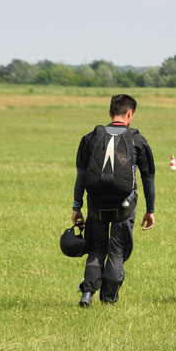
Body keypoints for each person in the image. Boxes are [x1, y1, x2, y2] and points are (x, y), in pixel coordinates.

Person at [71, 93, 155, 307]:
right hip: (124, 206)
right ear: (130, 114)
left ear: (109, 113)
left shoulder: (90, 138)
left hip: (96, 203)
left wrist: (76, 206)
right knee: (117, 251)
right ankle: (109, 299)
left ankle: (87, 293)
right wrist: (150, 210)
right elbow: (148, 178)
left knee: (97, 248)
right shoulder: (137, 140)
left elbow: (81, 175)